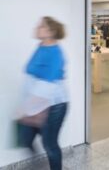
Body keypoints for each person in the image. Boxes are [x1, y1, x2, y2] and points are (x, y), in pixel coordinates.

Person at [17, 17, 68, 170]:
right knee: (25, 138)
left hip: (54, 105)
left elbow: (47, 84)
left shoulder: (55, 53)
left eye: (41, 26)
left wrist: (28, 110)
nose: (36, 28)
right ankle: (39, 165)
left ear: (50, 32)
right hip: (36, 103)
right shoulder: (41, 46)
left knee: (50, 144)